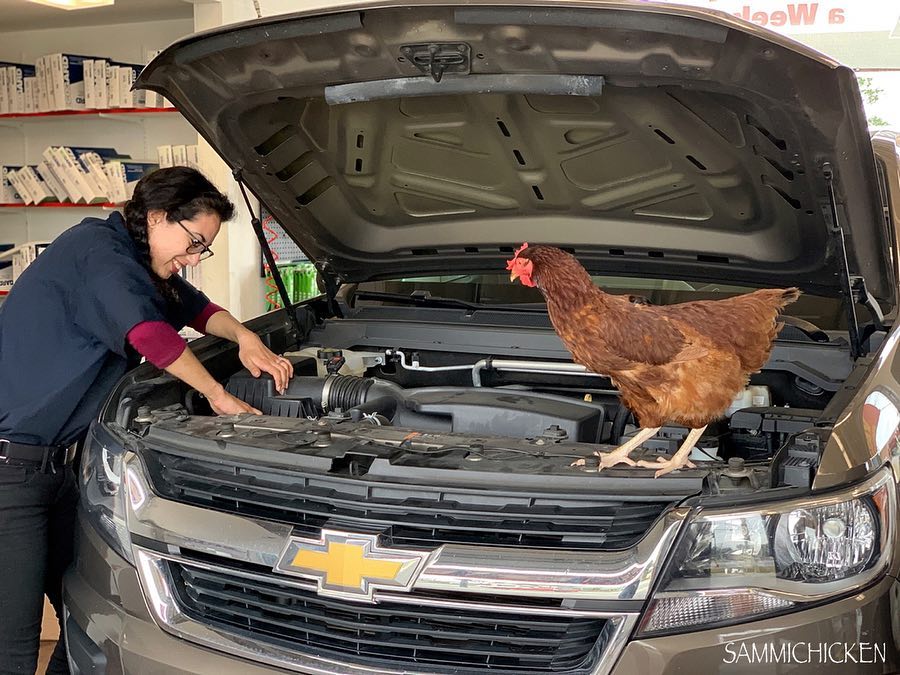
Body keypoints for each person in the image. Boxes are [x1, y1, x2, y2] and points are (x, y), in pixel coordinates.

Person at [0, 166, 293, 674]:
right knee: (14, 642)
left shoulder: (142, 264)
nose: (193, 256)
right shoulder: (98, 254)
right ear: (157, 216)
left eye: (204, 248)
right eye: (194, 241)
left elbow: (200, 311)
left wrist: (247, 338)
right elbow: (152, 338)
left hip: (62, 471)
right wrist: (217, 395)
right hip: (10, 474)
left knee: (87, 617)